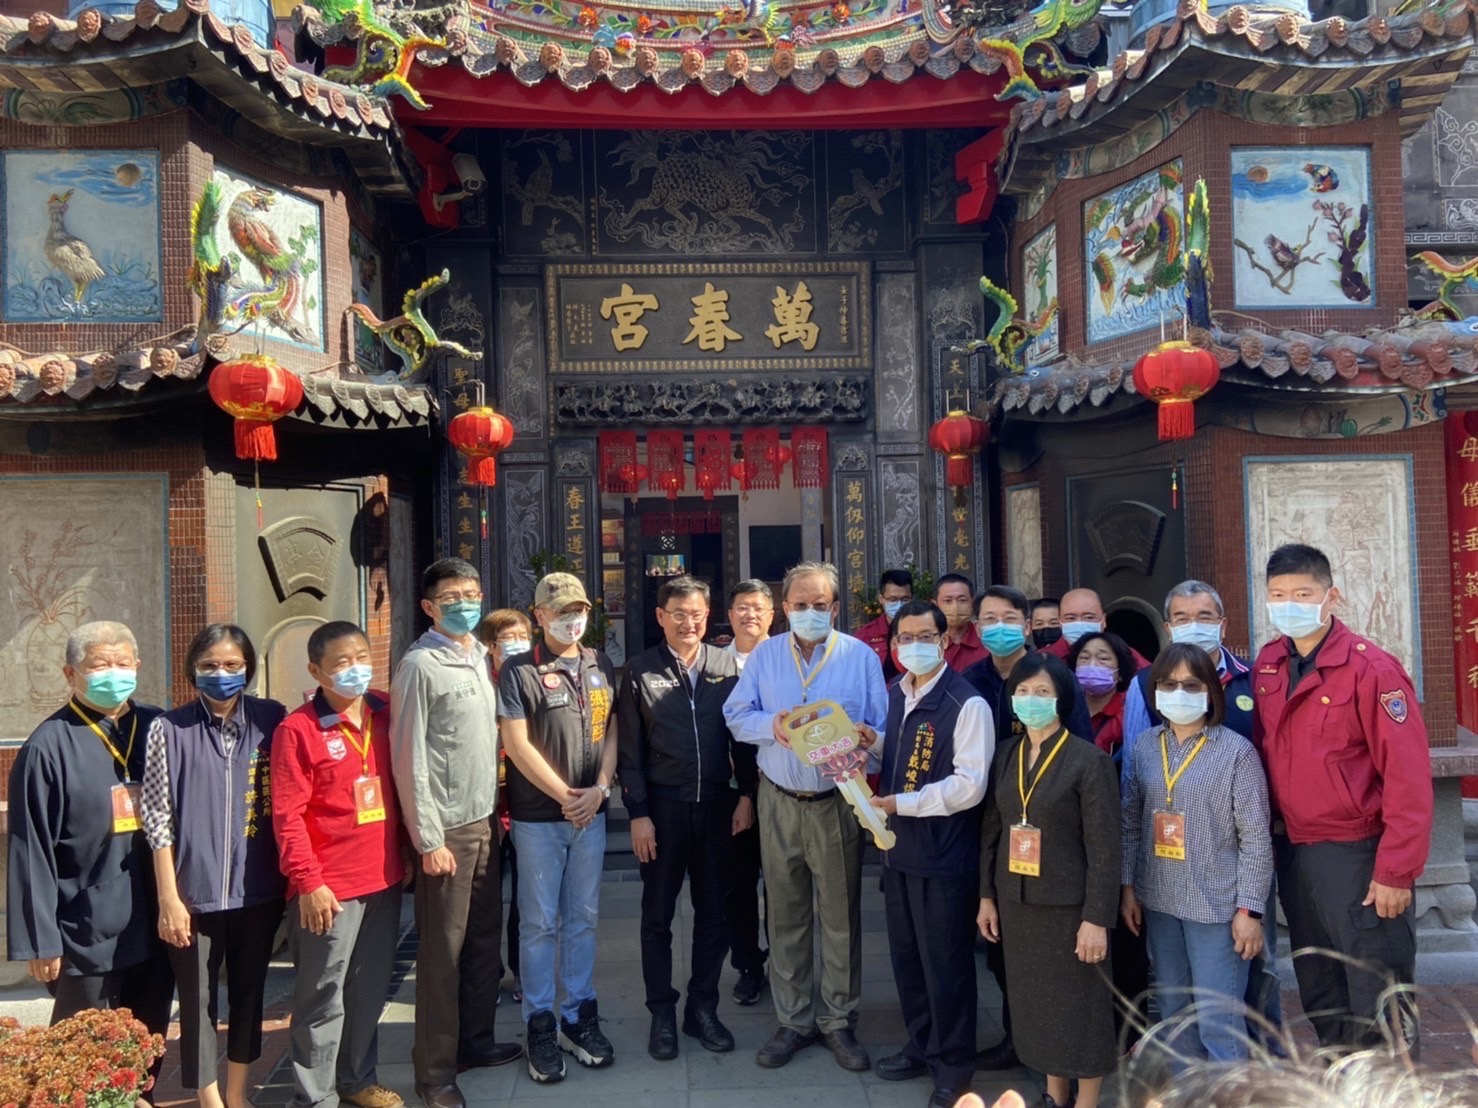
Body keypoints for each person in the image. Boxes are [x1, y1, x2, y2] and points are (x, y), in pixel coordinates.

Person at [1252, 543, 1432, 1054]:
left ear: (1331, 597)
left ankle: (1393, 1089)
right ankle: (1341, 1084)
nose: (1289, 604)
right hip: (1297, 854)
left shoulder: (1372, 670)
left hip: (1359, 856)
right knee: (1323, 995)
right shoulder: (1269, 665)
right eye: (1278, 595)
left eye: (1302, 593)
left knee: (1379, 999)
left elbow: (1408, 777)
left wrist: (1395, 870)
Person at [724, 560, 888, 1071]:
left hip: (837, 801)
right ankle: (793, 1019)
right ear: (785, 607)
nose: (810, 612)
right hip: (778, 800)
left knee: (840, 917)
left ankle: (838, 1020)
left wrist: (867, 744)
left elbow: (883, 728)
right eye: (801, 605)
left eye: (820, 605)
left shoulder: (859, 657)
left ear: (835, 609)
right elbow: (735, 715)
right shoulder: (765, 656)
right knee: (785, 914)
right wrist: (770, 726)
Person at [6, 621, 175, 1077]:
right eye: (99, 665)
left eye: (122, 663)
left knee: (147, 1041)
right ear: (71, 673)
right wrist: (40, 940)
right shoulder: (47, 746)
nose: (112, 673)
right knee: (81, 1052)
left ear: (138, 665)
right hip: (86, 927)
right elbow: (30, 850)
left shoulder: (158, 727)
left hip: (156, 917)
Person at [1119, 581, 1279, 1046]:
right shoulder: (1146, 747)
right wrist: (1128, 887)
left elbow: (1255, 838)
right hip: (1161, 898)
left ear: (1211, 691)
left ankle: (1243, 1082)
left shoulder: (1236, 751)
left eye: (1191, 686)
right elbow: (1131, 822)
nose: (1179, 693)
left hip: (1218, 904)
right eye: (1169, 685)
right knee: (1174, 1017)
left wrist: (1250, 909)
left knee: (1219, 1022)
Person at [141, 624, 288, 1108]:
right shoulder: (169, 729)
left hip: (257, 887)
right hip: (193, 892)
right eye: (209, 665)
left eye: (231, 665)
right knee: (197, 999)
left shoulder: (272, 719)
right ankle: (210, 1100)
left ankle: (238, 1093)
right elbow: (156, 817)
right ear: (193, 670)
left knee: (249, 992)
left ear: (248, 668)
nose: (220, 674)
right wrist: (169, 897)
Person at [391, 557, 518, 1108]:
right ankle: (435, 1072)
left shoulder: (478, 658)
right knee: (442, 953)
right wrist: (428, 838)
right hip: (447, 828)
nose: (464, 604)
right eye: (451, 598)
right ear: (429, 607)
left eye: (471, 594)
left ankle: (476, 1041)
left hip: (486, 819)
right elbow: (409, 756)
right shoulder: (420, 665)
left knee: (483, 940)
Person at [617, 576, 757, 1060]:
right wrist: (638, 814)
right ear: (661, 617)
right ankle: (661, 1012)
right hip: (663, 809)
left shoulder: (726, 666)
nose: (688, 623)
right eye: (678, 614)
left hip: (718, 806)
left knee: (714, 913)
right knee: (657, 916)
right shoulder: (640, 670)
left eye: (696, 614)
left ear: (708, 614)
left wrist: (746, 795)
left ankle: (702, 1008)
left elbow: (742, 738)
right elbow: (630, 751)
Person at [273, 621, 406, 1108]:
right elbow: (287, 816)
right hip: (328, 888)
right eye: (341, 662)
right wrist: (308, 883)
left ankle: (356, 1080)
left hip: (384, 877)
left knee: (368, 989)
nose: (355, 669)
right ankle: (315, 1096)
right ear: (316, 671)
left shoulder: (385, 711)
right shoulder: (297, 730)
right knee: (322, 996)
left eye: (362, 657)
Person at [978, 653, 1119, 1108]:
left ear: (1061, 700)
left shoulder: (1087, 761)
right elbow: (992, 829)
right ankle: (1054, 1094)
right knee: (1039, 1006)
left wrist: (1097, 919)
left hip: (1070, 908)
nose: (1031, 699)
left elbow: (1104, 847)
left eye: (1042, 692)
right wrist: (986, 896)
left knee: (1082, 1007)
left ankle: (1087, 1101)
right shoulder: (1007, 754)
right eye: (1022, 691)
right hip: (1018, 903)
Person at [962, 584, 1092, 1071]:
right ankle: (1019, 1037)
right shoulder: (970, 679)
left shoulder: (1053, 674)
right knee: (1004, 948)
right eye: (989, 619)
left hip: (1052, 828)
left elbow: (1082, 749)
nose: (999, 627)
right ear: (976, 626)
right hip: (991, 821)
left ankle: (1060, 1050)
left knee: (1053, 950)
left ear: (1027, 624)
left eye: (1009, 618)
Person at [870, 600, 993, 1108]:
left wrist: (901, 803)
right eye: (906, 638)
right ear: (894, 644)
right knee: (909, 961)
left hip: (943, 857)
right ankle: (921, 1045)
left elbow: (969, 786)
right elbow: (903, 754)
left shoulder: (967, 704)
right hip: (899, 851)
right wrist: (871, 743)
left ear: (944, 641)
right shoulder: (897, 693)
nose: (915, 646)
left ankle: (954, 1065)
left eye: (926, 637)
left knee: (946, 965)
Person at [499, 572, 619, 1082]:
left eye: (580, 611)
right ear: (540, 616)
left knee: (583, 918)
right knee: (539, 923)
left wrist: (601, 788)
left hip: (591, 813)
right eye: (562, 611)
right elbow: (516, 743)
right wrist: (566, 796)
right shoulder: (519, 670)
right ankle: (540, 1023)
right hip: (540, 819)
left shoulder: (598, 663)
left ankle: (578, 1015)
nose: (573, 620)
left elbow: (611, 728)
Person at [475, 609, 535, 1006]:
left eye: (522, 637)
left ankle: (523, 972)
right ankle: (487, 974)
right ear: (490, 646)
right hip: (487, 806)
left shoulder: (534, 677)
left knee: (527, 901)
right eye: (506, 639)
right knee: (485, 900)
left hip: (528, 801)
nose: (516, 645)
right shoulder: (480, 684)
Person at [723, 579, 774, 1006]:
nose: (749, 614)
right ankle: (748, 965)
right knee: (737, 885)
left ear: (772, 614)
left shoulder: (788, 660)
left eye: (758, 607)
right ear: (729, 614)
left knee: (783, 885)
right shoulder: (714, 664)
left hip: (781, 788)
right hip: (731, 795)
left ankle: (786, 963)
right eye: (742, 607)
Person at [1067, 631, 1138, 760]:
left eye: (1103, 659)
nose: (1092, 665)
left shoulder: (1129, 715)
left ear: (1121, 673)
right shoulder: (1065, 709)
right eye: (1084, 658)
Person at [1042, 588, 1151, 670]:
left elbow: (1150, 681)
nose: (1080, 623)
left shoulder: (1126, 656)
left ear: (1103, 621)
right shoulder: (1043, 659)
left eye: (1089, 617)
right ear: (1060, 622)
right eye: (1071, 618)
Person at [852, 569, 913, 680]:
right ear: (881, 599)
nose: (899, 604)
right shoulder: (865, 636)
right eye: (893, 599)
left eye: (905, 599)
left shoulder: (923, 632)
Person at [935, 573, 988, 672]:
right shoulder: (927, 641)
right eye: (948, 601)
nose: (955, 606)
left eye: (962, 600)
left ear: (972, 602)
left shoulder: (987, 639)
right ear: (935, 604)